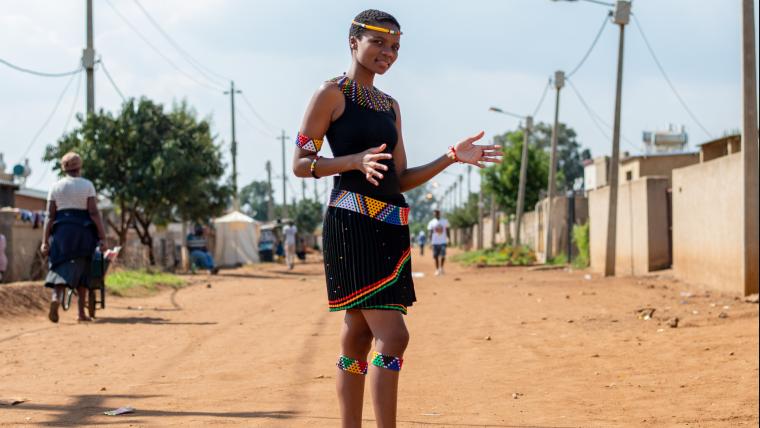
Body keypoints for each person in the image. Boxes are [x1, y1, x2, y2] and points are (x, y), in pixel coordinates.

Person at [292, 9, 501, 427]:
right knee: (395, 336)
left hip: (390, 225)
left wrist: (452, 157)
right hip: (351, 223)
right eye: (379, 43)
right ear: (353, 42)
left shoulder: (390, 106)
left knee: (358, 335)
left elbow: (400, 177)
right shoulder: (331, 94)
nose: (388, 53)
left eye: (395, 47)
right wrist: (353, 161)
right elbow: (301, 163)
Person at [41, 152, 107, 323]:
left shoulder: (55, 187)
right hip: (83, 233)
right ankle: (81, 313)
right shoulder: (87, 185)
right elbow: (93, 212)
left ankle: (56, 298)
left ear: (63, 168)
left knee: (58, 266)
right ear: (80, 167)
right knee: (84, 270)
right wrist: (102, 236)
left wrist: (44, 242)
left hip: (61, 233)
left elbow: (49, 216)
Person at [427, 209, 450, 276]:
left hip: (443, 241)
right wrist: (430, 241)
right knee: (435, 256)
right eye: (435, 213)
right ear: (434, 214)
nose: (436, 214)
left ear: (439, 214)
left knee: (443, 255)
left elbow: (448, 230)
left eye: (437, 213)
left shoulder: (445, 221)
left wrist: (449, 238)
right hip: (435, 242)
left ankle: (441, 268)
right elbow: (430, 233)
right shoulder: (431, 222)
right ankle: (437, 269)